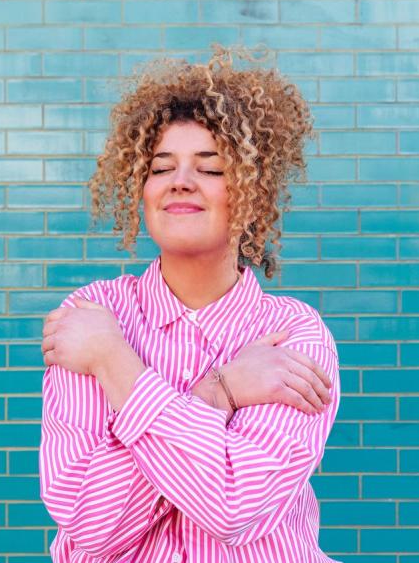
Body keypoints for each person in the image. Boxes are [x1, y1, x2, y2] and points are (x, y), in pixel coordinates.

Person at [38, 44, 342, 563]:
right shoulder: (94, 317)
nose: (181, 180)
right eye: (161, 167)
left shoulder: (293, 335)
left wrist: (115, 364)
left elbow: (234, 507)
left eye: (211, 167)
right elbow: (91, 528)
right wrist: (219, 393)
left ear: (251, 193)